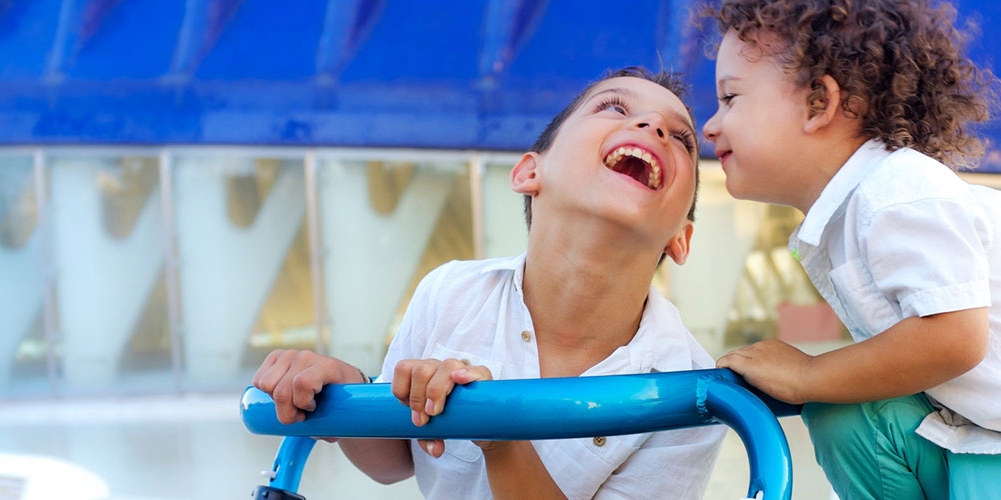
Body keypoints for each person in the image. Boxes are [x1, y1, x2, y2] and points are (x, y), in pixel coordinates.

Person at [699, 1, 1001, 498]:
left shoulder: (898, 189)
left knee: (827, 391)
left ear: (816, 104)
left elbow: (954, 338)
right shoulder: (850, 213)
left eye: (730, 98)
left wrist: (806, 373)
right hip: (979, 447)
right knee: (841, 412)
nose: (710, 125)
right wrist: (814, 385)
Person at [252, 67, 724, 500]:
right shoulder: (450, 294)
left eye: (681, 139)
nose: (654, 129)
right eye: (614, 108)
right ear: (529, 173)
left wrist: (497, 434)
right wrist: (342, 393)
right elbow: (395, 459)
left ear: (680, 239)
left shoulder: (690, 388)